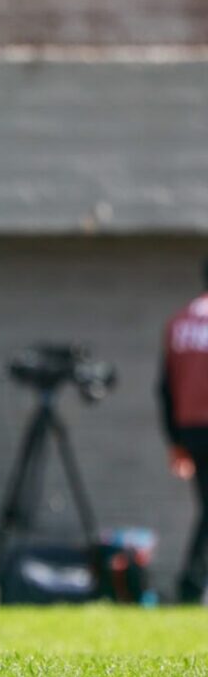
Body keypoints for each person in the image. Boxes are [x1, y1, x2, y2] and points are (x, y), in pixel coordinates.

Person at [159, 258, 208, 604]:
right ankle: (190, 584)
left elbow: (164, 387)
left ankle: (192, 583)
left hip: (191, 429)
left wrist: (176, 441)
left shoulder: (179, 322)